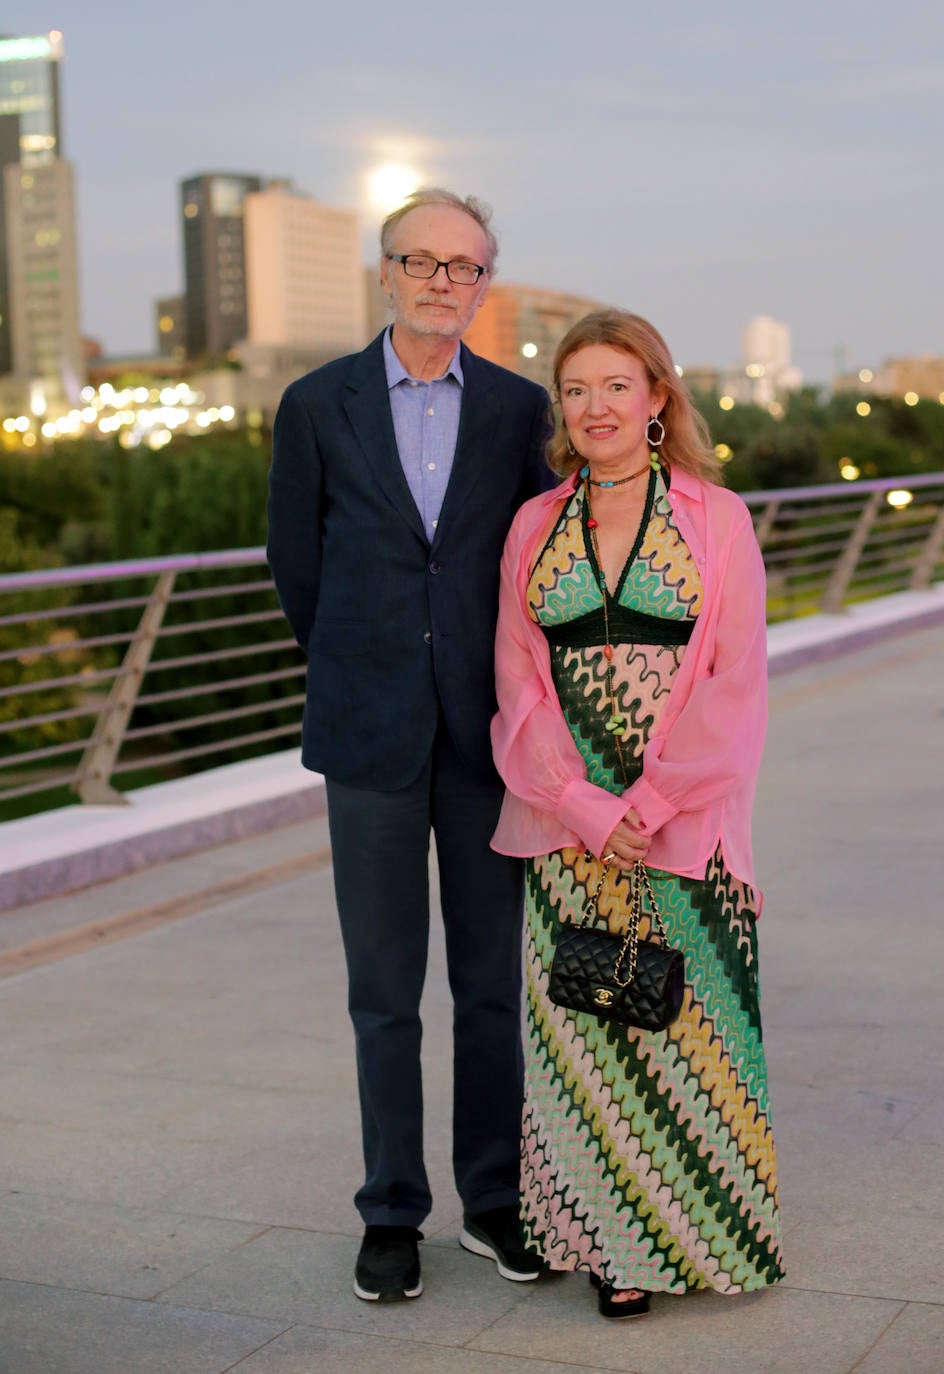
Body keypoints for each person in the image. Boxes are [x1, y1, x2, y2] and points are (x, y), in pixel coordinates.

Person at [267, 188, 553, 1303]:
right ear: (384, 272)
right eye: (418, 260)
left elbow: (534, 570)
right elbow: (300, 569)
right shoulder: (315, 404)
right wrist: (369, 663)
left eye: (462, 265)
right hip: (369, 734)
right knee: (382, 992)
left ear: (485, 283)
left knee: (489, 987)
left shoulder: (520, 411)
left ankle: (491, 1202)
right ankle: (392, 1210)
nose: (441, 280)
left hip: (490, 744)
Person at [490, 309, 784, 1319]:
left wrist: (648, 805)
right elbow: (518, 682)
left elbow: (734, 684)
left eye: (617, 386)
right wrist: (576, 804)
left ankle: (697, 1232)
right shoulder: (534, 524)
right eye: (577, 390)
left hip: (685, 822)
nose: (595, 407)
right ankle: (611, 1248)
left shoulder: (717, 516)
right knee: (587, 1042)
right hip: (566, 827)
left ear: (657, 398)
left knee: (690, 1030)